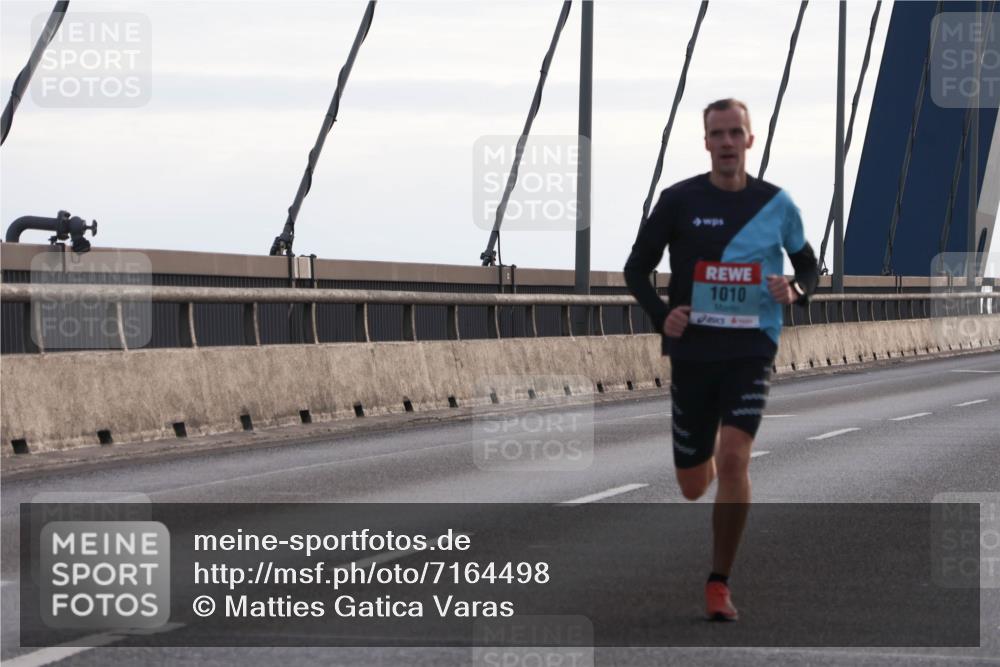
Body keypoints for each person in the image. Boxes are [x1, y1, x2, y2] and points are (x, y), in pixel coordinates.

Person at [623, 98, 819, 621]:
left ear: (750, 140)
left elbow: (810, 266)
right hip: (693, 351)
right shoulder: (678, 200)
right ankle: (703, 451)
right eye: (718, 134)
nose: (728, 142)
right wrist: (661, 314)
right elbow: (635, 270)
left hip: (751, 348)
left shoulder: (778, 203)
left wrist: (795, 289)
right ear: (706, 142)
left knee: (735, 458)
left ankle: (718, 583)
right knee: (692, 485)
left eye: (737, 132)